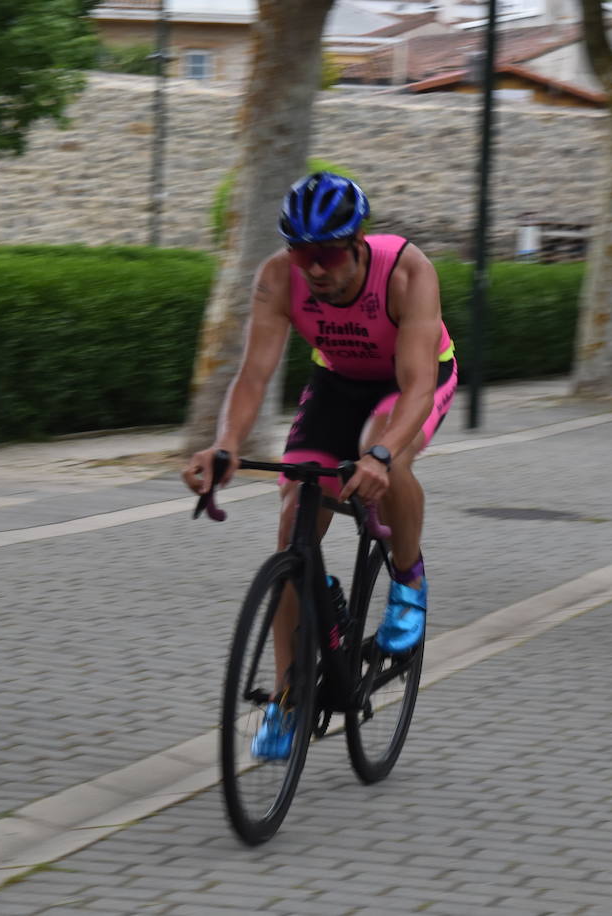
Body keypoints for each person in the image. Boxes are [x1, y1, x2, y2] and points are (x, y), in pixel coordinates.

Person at [182, 172, 457, 761]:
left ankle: (409, 581)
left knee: (383, 448)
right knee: (293, 530)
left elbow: (415, 384)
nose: (315, 270)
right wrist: (224, 443)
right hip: (336, 383)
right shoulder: (279, 279)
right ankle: (289, 698)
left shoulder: (408, 272)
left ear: (358, 243)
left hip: (410, 381)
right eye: (301, 254)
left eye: (328, 254)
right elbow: (253, 376)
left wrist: (381, 456)